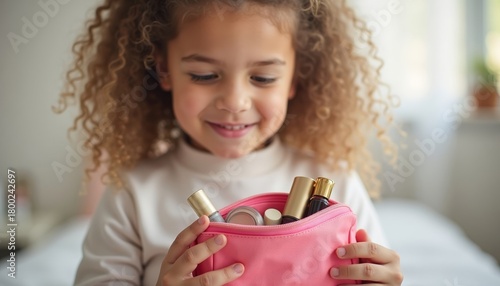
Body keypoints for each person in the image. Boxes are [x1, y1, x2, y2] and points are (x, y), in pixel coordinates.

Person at [57, 0, 403, 285]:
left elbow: (369, 269)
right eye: (204, 75)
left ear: (295, 78)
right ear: (163, 69)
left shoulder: (333, 179)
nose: (235, 101)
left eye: (263, 77)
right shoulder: (132, 192)